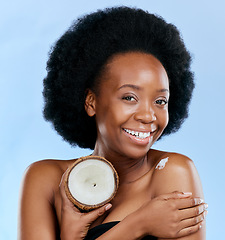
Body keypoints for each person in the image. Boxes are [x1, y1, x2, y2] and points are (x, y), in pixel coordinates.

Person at [18, 6, 208, 240]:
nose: (148, 116)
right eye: (130, 97)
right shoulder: (44, 179)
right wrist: (138, 224)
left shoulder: (172, 172)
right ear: (91, 102)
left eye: (160, 101)